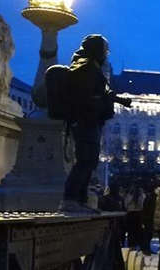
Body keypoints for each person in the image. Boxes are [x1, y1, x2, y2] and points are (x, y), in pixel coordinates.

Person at [59, 35, 132, 214]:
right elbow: (91, 95)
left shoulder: (85, 66)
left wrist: (118, 100)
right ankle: (70, 199)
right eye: (105, 51)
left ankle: (79, 200)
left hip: (88, 120)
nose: (106, 55)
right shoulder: (86, 67)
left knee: (89, 161)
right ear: (96, 50)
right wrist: (107, 100)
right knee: (85, 160)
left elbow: (98, 91)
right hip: (87, 120)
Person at [124, 183, 146, 251]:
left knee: (131, 230)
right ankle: (138, 244)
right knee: (138, 230)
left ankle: (131, 244)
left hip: (130, 214)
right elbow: (142, 206)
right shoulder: (141, 196)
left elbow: (126, 205)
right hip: (138, 214)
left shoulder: (129, 196)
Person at [140, 185, 156, 255]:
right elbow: (146, 207)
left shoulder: (149, 197)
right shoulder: (150, 197)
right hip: (148, 217)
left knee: (148, 234)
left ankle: (146, 248)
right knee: (147, 234)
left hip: (148, 217)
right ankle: (146, 249)